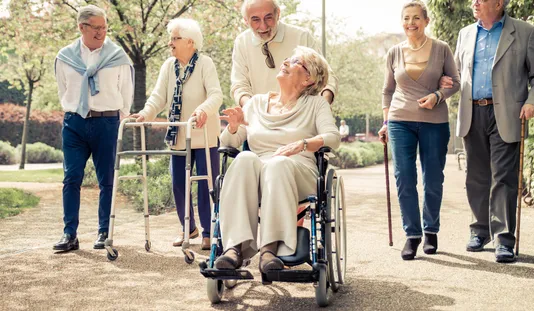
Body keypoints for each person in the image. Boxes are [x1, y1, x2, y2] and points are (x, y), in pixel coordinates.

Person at [213, 46, 340, 272]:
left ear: (308, 79)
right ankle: (234, 247)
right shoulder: (255, 104)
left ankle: (269, 250)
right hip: (259, 172)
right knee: (244, 159)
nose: (285, 62)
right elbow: (229, 144)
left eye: (295, 61)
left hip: (298, 171)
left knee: (277, 163)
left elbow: (333, 137)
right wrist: (233, 128)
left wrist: (302, 144)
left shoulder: (316, 104)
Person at [454, 0, 534, 263]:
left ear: (498, 3)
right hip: (472, 111)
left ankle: (504, 239)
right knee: (476, 176)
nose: (475, 3)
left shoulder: (524, 31)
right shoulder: (465, 34)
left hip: (507, 113)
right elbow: (456, 73)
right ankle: (480, 231)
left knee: (504, 177)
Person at [128, 18, 223, 251]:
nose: (170, 43)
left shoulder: (205, 64)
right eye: (170, 38)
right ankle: (188, 228)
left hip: (203, 135)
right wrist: (144, 113)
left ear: (190, 42)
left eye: (175, 38)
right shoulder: (169, 66)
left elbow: (216, 95)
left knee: (205, 184)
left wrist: (202, 110)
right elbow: (158, 97)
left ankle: (209, 232)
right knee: (179, 183)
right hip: (179, 135)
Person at [377, 1, 460, 260]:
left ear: (426, 21)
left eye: (416, 18)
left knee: (433, 178)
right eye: (406, 18)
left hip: (434, 121)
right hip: (400, 120)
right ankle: (412, 235)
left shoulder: (441, 49)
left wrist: (437, 95)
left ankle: (431, 230)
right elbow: (388, 91)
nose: (410, 23)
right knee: (404, 178)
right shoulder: (394, 52)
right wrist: (386, 122)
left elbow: (455, 83)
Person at [53, 5, 134, 252]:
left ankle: (103, 232)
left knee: (107, 180)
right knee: (71, 178)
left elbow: (126, 93)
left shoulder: (118, 56)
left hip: (106, 123)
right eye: (96, 28)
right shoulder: (65, 56)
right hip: (75, 123)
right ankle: (70, 234)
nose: (101, 33)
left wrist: (116, 121)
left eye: (104, 28)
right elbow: (62, 90)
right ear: (82, 27)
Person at [231, 0, 338, 108]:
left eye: (268, 18)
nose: (263, 26)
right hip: (258, 117)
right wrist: (254, 111)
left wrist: (322, 106)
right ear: (246, 21)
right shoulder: (241, 42)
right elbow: (239, 85)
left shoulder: (302, 37)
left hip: (298, 116)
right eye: (256, 20)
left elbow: (325, 78)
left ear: (278, 13)